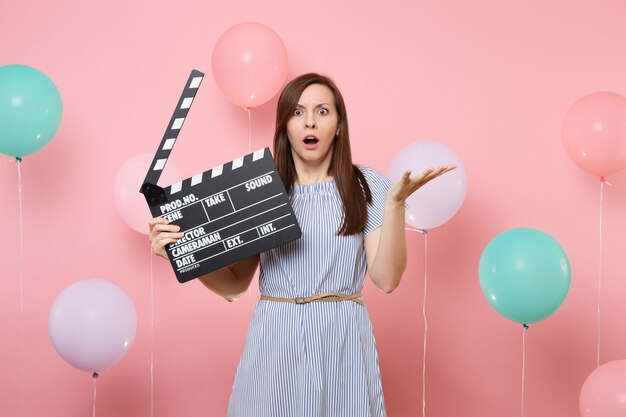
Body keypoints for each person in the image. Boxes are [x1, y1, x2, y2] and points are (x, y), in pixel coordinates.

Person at [149, 73, 455, 417]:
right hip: (274, 339)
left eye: (323, 111)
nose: (310, 121)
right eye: (297, 112)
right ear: (284, 126)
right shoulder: (262, 192)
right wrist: (185, 255)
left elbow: (386, 279)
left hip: (342, 341)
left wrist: (395, 205)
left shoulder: (368, 186)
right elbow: (234, 286)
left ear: (339, 125)